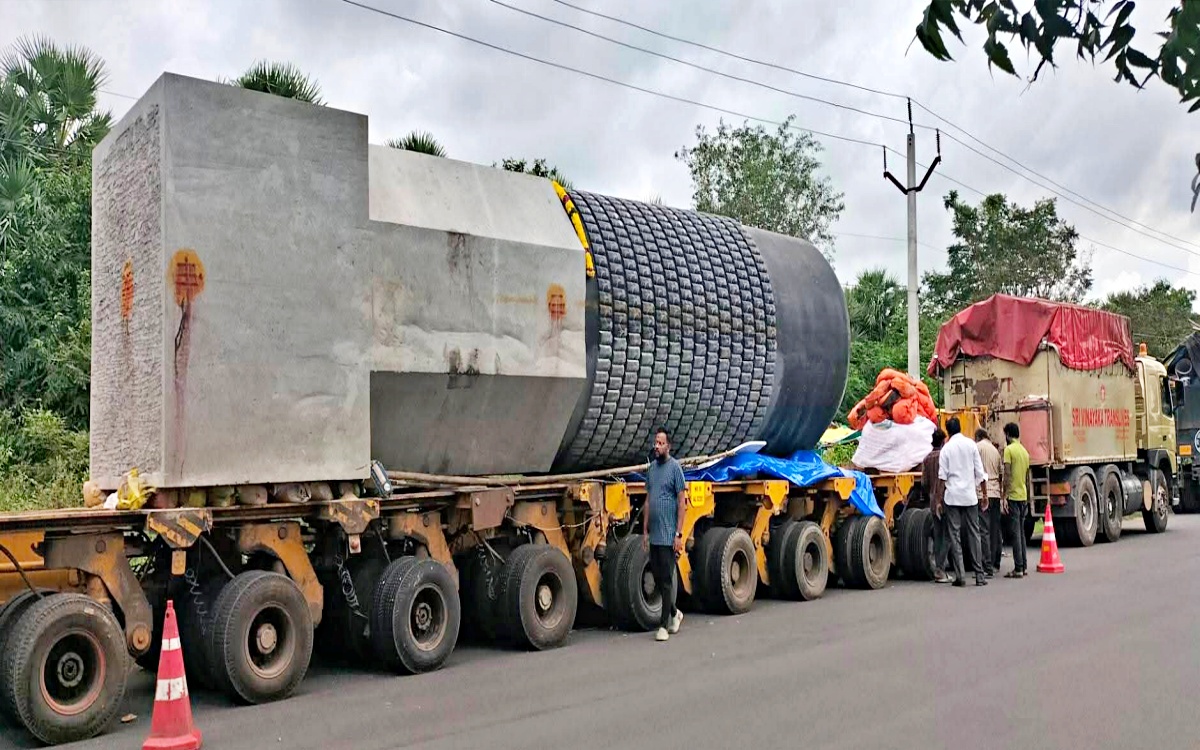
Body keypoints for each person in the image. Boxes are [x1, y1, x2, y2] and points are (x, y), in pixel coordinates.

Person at [643, 427, 688, 641]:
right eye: (656, 442)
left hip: (669, 534)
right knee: (659, 578)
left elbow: (682, 502)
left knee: (667, 579)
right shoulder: (651, 470)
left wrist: (679, 534)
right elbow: (648, 500)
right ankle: (674, 613)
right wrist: (644, 531)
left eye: (661, 443)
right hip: (654, 535)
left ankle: (663, 626)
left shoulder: (675, 468)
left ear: (668, 446)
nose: (657, 446)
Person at [938, 417, 989, 587]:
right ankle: (979, 575)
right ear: (959, 428)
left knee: (955, 535)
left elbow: (942, 478)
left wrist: (938, 499)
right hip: (969, 496)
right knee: (975, 534)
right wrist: (984, 495)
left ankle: (960, 576)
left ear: (948, 431)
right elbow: (980, 473)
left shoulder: (946, 449)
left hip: (952, 497)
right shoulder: (971, 445)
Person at [1001, 422, 1033, 578]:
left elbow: (1006, 475)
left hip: (1013, 496)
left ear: (1007, 434)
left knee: (1015, 534)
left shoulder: (1009, 450)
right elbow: (1027, 478)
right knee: (1021, 532)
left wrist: (1004, 496)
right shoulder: (1025, 452)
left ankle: (1018, 568)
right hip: (1023, 496)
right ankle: (1024, 566)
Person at [922, 428, 951, 583]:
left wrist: (931, 494)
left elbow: (924, 483)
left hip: (933, 501)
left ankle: (939, 568)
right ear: (943, 441)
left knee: (938, 534)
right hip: (945, 500)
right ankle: (940, 568)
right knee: (948, 535)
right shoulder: (944, 456)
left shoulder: (926, 459)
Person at [975, 429, 1004, 578]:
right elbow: (1000, 475)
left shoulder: (977, 448)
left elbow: (976, 471)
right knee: (995, 529)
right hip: (996, 493)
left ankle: (987, 566)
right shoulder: (995, 450)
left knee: (983, 531)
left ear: (978, 437)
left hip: (983, 493)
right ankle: (995, 562)